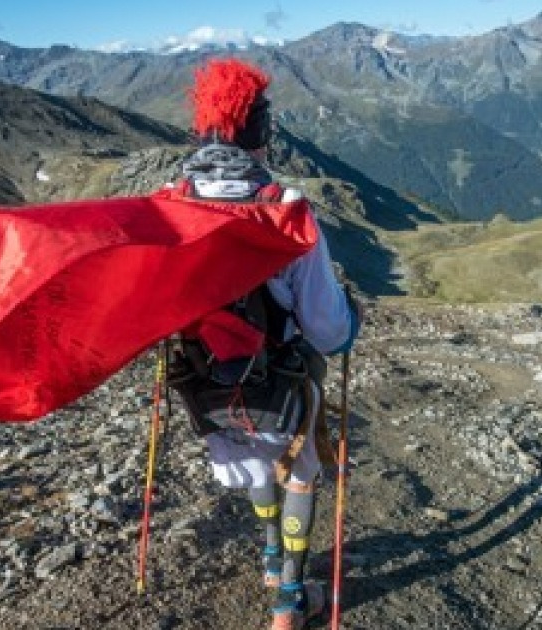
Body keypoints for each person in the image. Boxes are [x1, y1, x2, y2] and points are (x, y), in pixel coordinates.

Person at [164, 57, 360, 630]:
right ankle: (289, 604)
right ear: (262, 134)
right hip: (279, 387)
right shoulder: (286, 208)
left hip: (202, 389)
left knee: (253, 462)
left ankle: (272, 556)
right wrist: (353, 322)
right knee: (299, 469)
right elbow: (327, 330)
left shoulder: (170, 203)